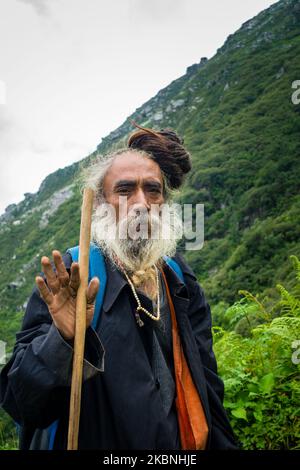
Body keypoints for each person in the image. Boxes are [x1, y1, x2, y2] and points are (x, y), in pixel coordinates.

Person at [0, 123, 237, 450]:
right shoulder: (73, 276)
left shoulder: (178, 279)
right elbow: (21, 402)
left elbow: (208, 390)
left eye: (152, 190)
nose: (141, 202)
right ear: (100, 204)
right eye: (125, 190)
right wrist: (63, 340)